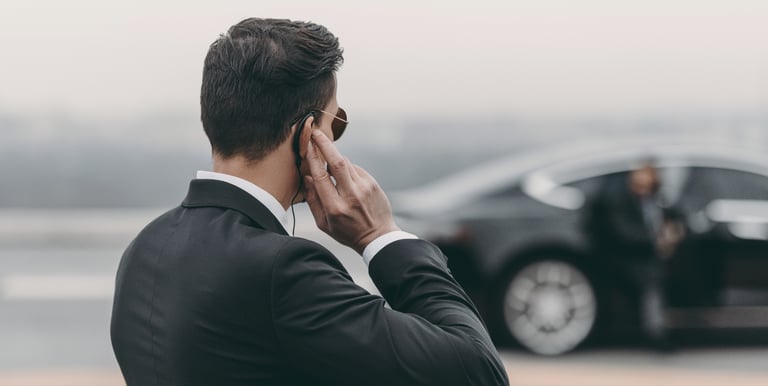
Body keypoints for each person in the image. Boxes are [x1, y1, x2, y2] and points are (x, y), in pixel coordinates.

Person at [110, 18, 508, 386]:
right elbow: (476, 371)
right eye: (336, 123)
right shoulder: (281, 271)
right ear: (308, 134)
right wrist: (380, 235)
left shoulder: (145, 248)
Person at [584, 160, 684, 347]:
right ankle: (656, 332)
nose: (645, 178)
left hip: (652, 256)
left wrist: (672, 232)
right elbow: (624, 232)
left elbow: (675, 219)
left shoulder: (657, 199)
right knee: (652, 280)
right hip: (628, 257)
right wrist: (657, 241)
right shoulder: (620, 198)